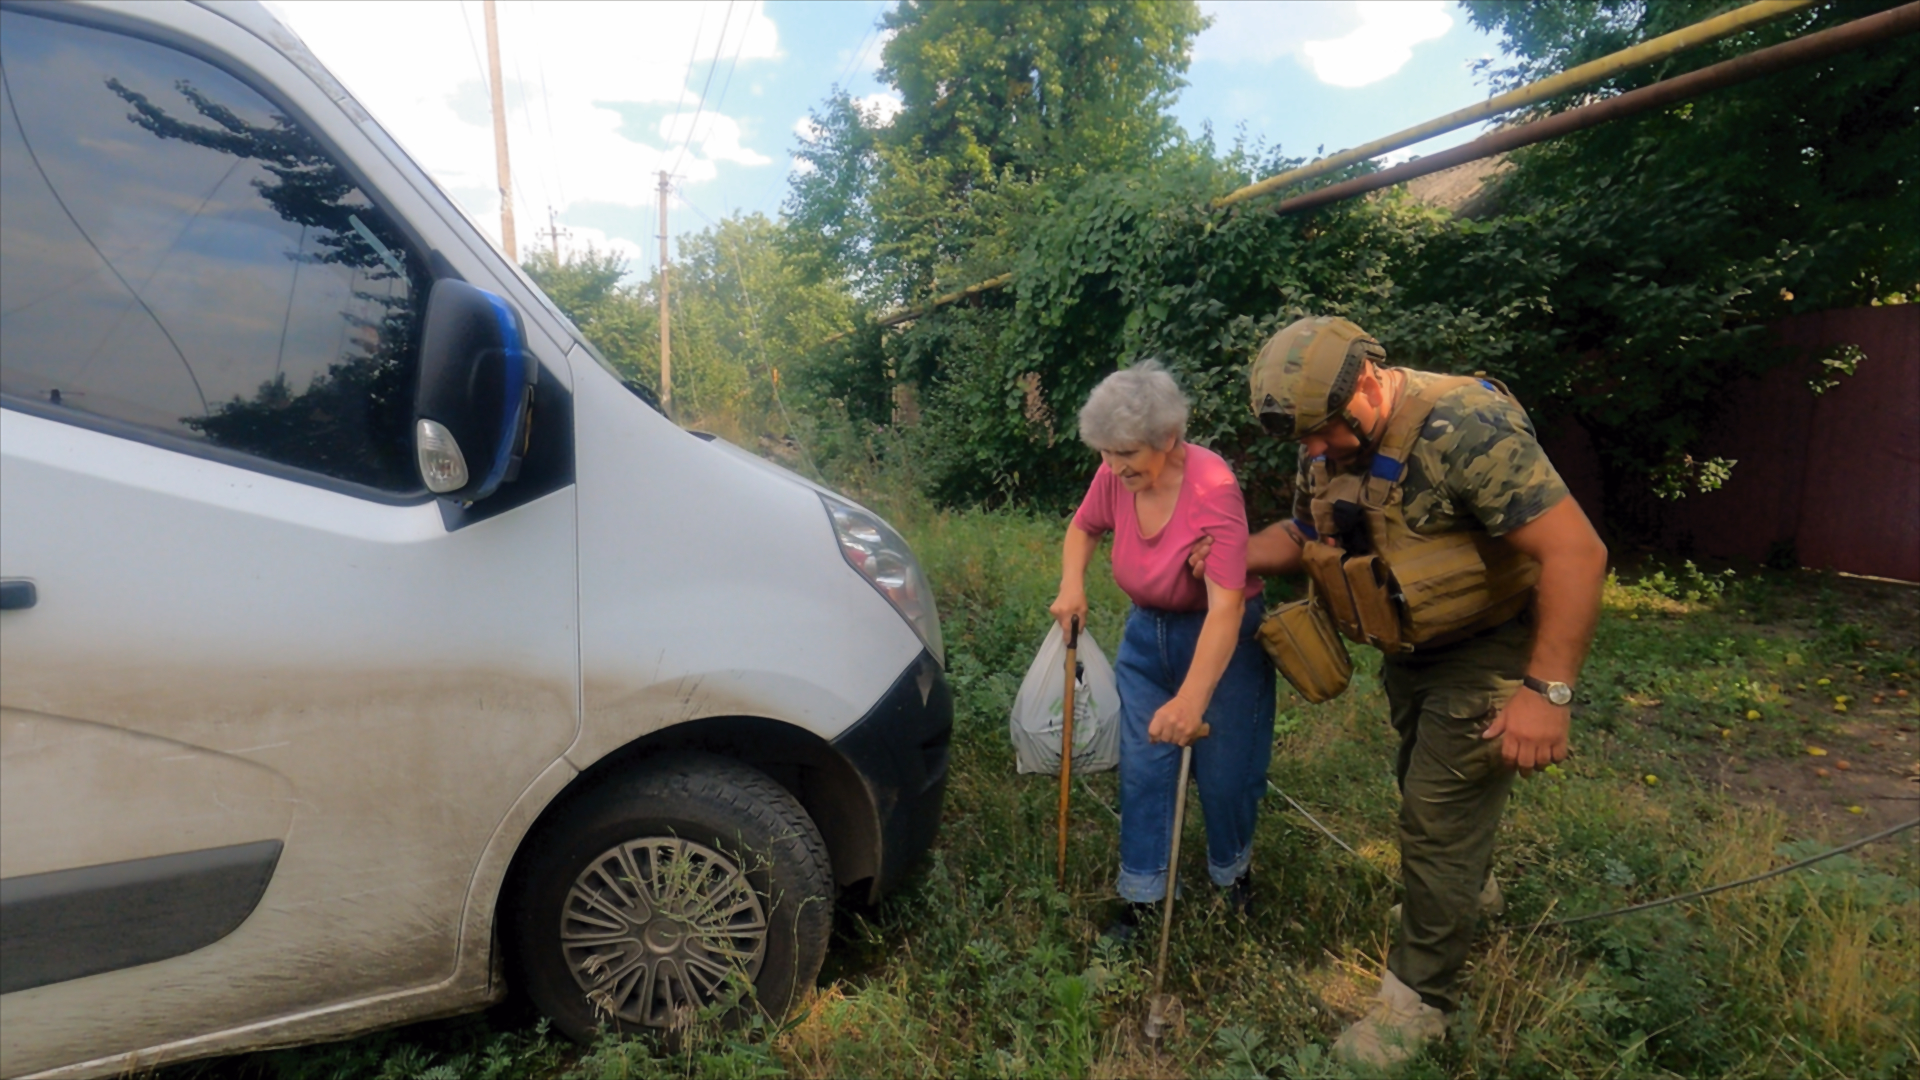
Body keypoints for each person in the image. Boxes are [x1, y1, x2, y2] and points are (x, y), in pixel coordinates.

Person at [1201, 316, 1608, 1067]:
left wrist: (1546, 692)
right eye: (1303, 440)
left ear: (1365, 379)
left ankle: (1417, 1005)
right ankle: (1461, 895)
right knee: (1423, 790)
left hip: (1489, 648)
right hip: (1413, 649)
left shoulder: (1465, 425)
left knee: (1435, 822)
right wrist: (1217, 561)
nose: (1314, 449)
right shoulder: (1319, 444)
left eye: (1324, 431)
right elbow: (1300, 534)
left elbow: (1576, 552)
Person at [1050, 361, 1277, 937]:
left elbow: (1226, 607)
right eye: (1104, 452)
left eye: (1125, 453)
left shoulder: (1213, 487)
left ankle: (1233, 878)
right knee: (1145, 769)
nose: (1112, 466)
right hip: (1145, 636)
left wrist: (1192, 700)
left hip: (1220, 639)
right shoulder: (1115, 474)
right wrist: (1072, 585)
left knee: (1227, 775)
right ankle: (1144, 898)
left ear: (1169, 438)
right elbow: (1084, 527)